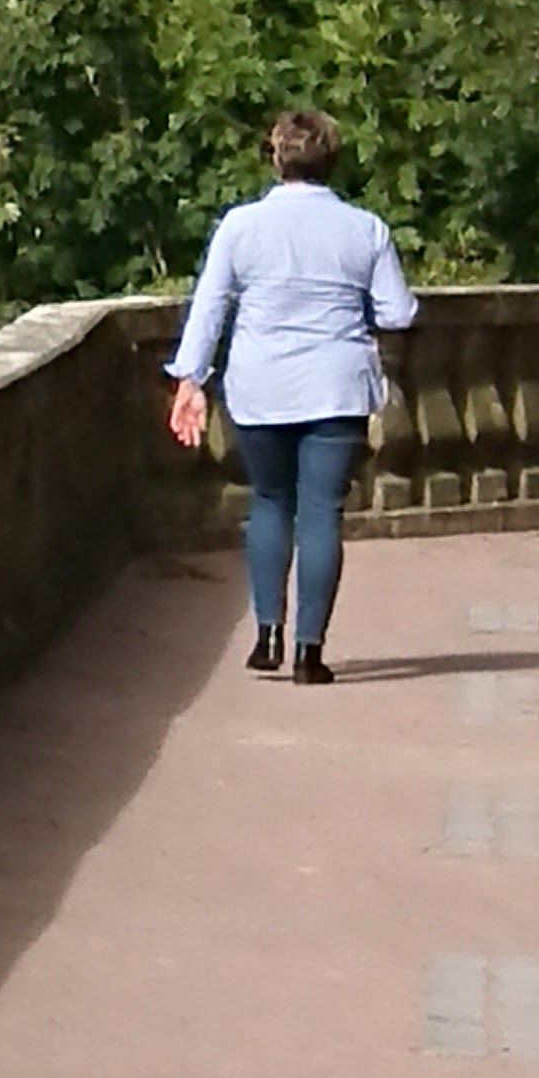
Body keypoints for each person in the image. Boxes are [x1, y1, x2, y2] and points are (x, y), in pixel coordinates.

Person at [163, 107, 418, 686]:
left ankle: (267, 634)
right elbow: (397, 313)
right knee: (321, 512)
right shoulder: (366, 228)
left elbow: (210, 308)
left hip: (260, 386)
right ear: (332, 159)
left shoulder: (241, 226)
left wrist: (190, 379)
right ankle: (309, 651)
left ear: (276, 157)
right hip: (335, 386)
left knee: (270, 501)